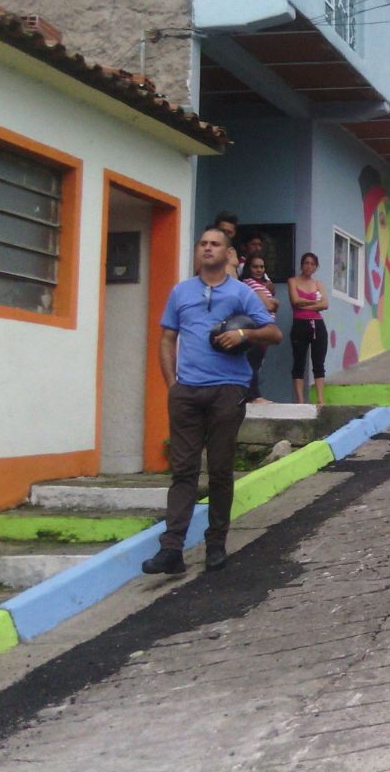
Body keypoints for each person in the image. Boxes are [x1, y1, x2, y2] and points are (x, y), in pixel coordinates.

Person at [143, 227, 281, 575]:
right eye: (203, 244)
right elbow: (166, 339)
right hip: (186, 392)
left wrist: (243, 334)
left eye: (215, 244)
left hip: (228, 390)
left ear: (228, 252)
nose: (207, 248)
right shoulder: (181, 292)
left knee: (220, 470)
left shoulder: (241, 292)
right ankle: (171, 549)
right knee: (184, 471)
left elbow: (274, 332)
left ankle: (216, 543)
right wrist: (172, 384)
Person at [287, 252, 329, 404]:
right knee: (299, 362)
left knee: (319, 363)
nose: (309, 266)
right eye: (306, 263)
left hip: (317, 325)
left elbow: (325, 304)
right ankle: (300, 399)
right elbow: (295, 301)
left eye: (312, 264)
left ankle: (320, 399)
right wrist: (314, 304)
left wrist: (306, 303)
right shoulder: (293, 281)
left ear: (315, 266)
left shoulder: (319, 284)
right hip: (300, 324)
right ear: (301, 264)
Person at [240, 254, 279, 402]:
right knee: (253, 362)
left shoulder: (262, 284)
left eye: (261, 267)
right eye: (255, 267)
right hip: (257, 328)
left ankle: (252, 394)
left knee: (257, 362)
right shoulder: (249, 283)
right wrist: (275, 304)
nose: (259, 270)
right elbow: (270, 305)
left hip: (265, 330)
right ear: (248, 268)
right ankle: (253, 396)